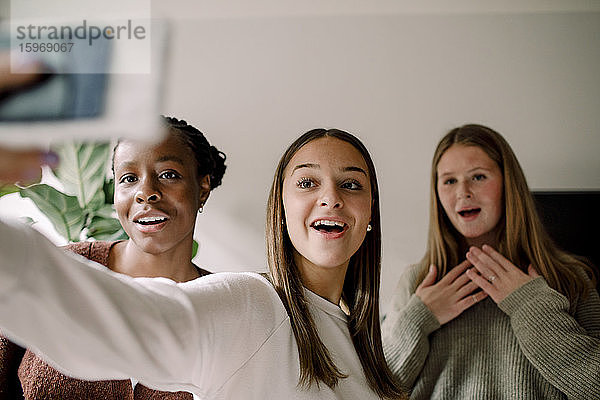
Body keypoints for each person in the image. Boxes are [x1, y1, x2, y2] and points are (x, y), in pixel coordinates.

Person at [0, 128, 406, 399]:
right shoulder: (250, 305)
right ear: (280, 210)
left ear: (370, 212)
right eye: (307, 182)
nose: (331, 198)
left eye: (351, 184)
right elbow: (99, 321)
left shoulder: (364, 355)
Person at [0, 116, 227, 399]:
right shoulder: (58, 269)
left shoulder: (226, 306)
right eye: (129, 178)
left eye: (168, 174)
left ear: (202, 188)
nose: (146, 193)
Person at [381, 124, 600, 399]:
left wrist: (530, 307)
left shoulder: (569, 278)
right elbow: (374, 390)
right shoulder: (417, 281)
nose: (463, 192)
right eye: (449, 181)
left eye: (479, 177)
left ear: (509, 184)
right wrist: (418, 320)